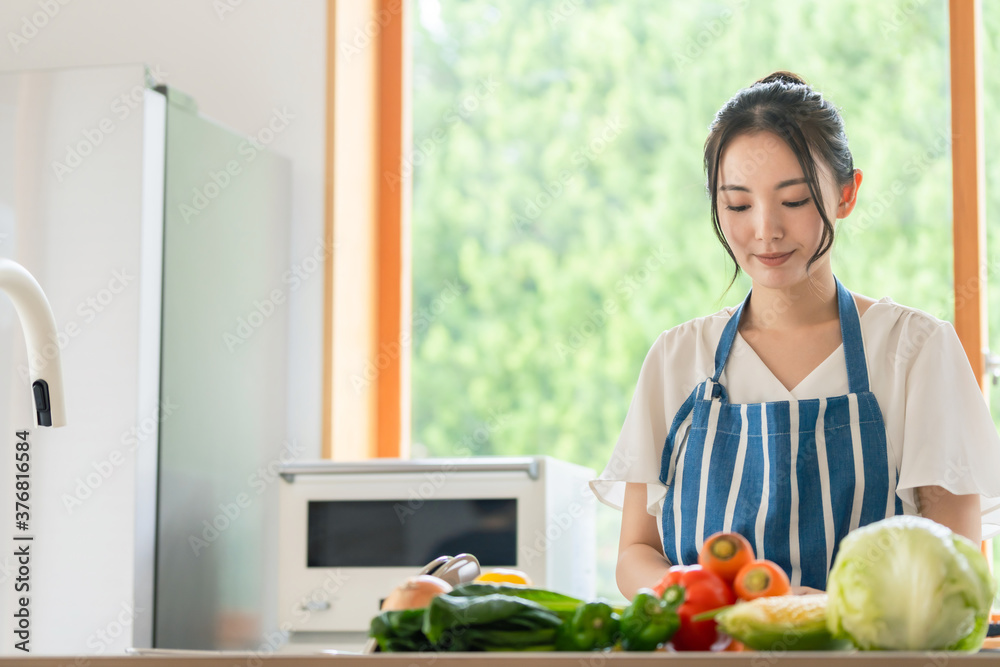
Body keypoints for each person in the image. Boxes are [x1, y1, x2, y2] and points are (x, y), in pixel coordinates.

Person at [590, 71, 1000, 599]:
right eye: (738, 204)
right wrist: (713, 599)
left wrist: (825, 613)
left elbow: (953, 565)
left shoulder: (914, 350)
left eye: (795, 200)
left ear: (847, 194)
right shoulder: (677, 358)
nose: (765, 229)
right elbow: (635, 554)